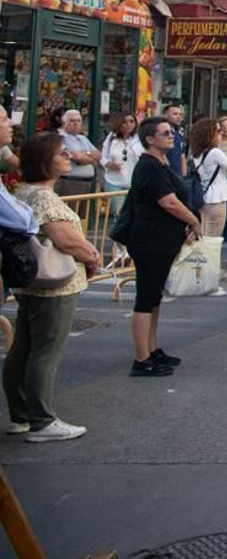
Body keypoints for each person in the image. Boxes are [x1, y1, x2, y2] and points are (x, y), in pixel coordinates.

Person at [5, 131, 101, 441]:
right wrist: (91, 255)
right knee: (46, 351)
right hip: (55, 282)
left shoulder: (23, 191)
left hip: (30, 279)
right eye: (62, 153)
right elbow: (65, 238)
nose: (68, 156)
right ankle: (42, 421)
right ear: (45, 161)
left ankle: (21, 414)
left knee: (24, 348)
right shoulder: (44, 196)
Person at [125, 117, 201, 377]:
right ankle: (141, 357)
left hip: (163, 239)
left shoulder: (162, 163)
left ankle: (151, 348)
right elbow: (168, 202)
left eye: (172, 132)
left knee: (155, 297)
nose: (172, 136)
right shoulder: (149, 166)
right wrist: (193, 220)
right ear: (149, 139)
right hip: (150, 239)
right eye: (165, 133)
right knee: (146, 298)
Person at [188, 118, 227, 244]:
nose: (221, 133)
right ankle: (208, 261)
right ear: (209, 134)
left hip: (206, 195)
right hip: (216, 198)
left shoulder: (198, 152)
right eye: (218, 131)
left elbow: (225, 164)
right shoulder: (215, 152)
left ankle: (202, 261)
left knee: (205, 232)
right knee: (212, 237)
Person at [99, 113, 141, 213]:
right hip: (114, 182)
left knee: (132, 215)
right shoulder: (111, 138)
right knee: (119, 215)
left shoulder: (139, 139)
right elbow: (101, 157)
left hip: (134, 183)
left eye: (131, 121)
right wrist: (108, 164)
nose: (128, 124)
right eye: (125, 122)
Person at [55, 109, 99, 198]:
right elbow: (79, 158)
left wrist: (85, 153)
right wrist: (92, 159)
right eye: (72, 121)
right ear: (64, 123)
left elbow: (98, 155)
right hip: (71, 183)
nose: (75, 123)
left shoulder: (83, 138)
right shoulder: (61, 138)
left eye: (78, 121)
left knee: (84, 212)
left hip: (88, 183)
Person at [164, 103, 188, 177]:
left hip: (178, 178)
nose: (178, 117)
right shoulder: (161, 133)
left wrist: (184, 179)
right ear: (166, 115)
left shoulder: (180, 135)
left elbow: (182, 157)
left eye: (180, 114)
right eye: (175, 114)